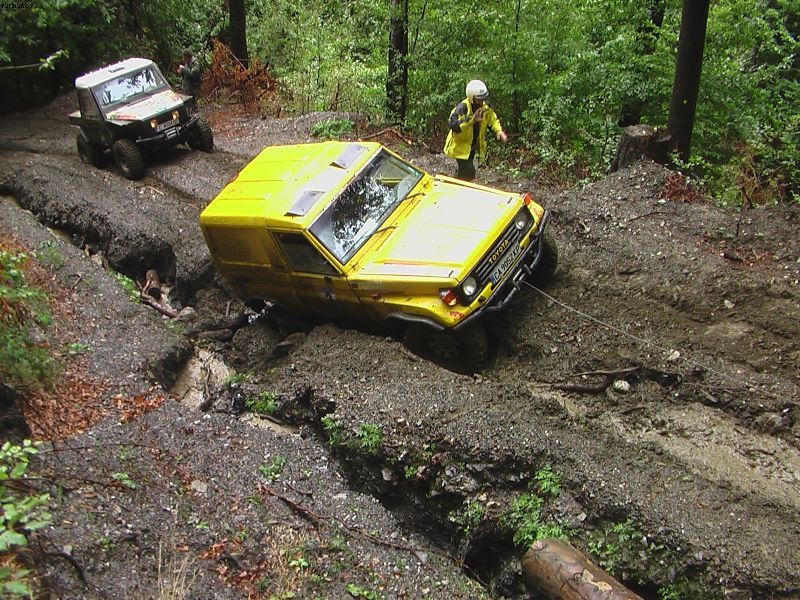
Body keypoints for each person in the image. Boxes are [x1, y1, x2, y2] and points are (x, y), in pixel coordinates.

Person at [443, 79, 508, 181]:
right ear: (472, 97)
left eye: (483, 99)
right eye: (479, 99)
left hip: (472, 146)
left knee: (465, 171)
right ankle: (460, 185)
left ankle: (457, 180)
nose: (481, 102)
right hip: (459, 146)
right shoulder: (462, 108)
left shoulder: (485, 108)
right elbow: (454, 126)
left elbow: (492, 120)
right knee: (469, 172)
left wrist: (498, 131)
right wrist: (472, 121)